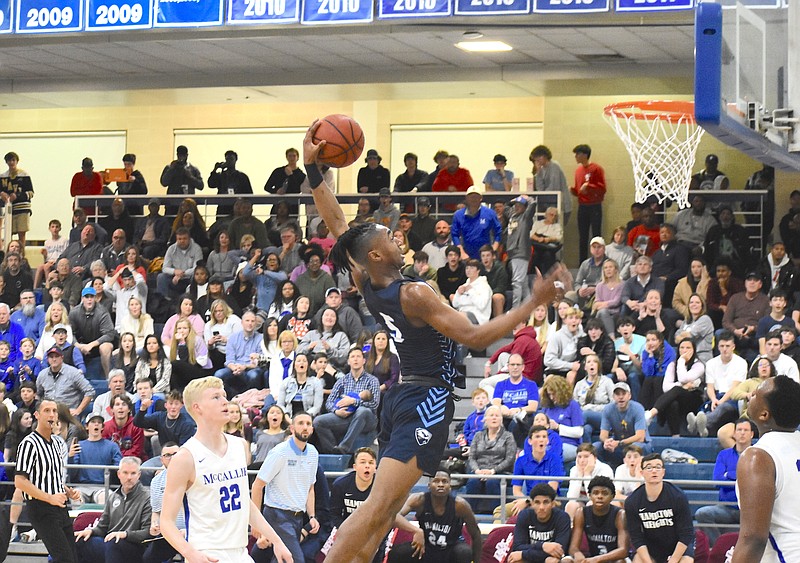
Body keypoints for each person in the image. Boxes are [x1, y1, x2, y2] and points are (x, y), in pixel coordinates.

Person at [303, 119, 562, 563]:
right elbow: (475, 334)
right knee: (378, 508)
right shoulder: (414, 293)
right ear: (376, 254)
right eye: (389, 235)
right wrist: (530, 304)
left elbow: (339, 223)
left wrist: (313, 170)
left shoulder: (368, 279)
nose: (396, 234)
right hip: (427, 398)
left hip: (404, 395)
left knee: (382, 515)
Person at [159, 376, 291, 562]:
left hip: (240, 552)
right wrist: (191, 554)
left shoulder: (239, 446)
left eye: (224, 395)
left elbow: (244, 502)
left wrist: (277, 540)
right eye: (216, 397)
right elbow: (165, 522)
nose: (225, 401)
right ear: (197, 408)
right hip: (208, 553)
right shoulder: (185, 457)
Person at [731, 375, 800, 562]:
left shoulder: (757, 456)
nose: (750, 394)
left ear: (764, 414)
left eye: (756, 394)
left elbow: (753, 539)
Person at [14, 399, 81, 562]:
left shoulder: (57, 443)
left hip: (60, 506)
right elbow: (20, 481)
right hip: (41, 508)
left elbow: (52, 476)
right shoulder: (29, 444)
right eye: (47, 411)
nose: (52, 414)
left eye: (54, 411)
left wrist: (66, 491)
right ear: (37, 415)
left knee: (73, 557)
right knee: (65, 558)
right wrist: (50, 497)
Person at [251, 410, 318, 563]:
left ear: (312, 429)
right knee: (294, 560)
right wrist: (255, 520)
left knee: (263, 556)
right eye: (301, 423)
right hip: (277, 515)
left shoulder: (313, 453)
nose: (305, 427)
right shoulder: (280, 452)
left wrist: (312, 516)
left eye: (308, 424)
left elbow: (310, 488)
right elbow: (257, 486)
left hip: (297, 518)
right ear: (292, 428)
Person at [388, 468, 482, 563]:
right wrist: (416, 530)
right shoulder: (419, 500)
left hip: (450, 548)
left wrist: (476, 561)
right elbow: (393, 516)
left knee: (464, 552)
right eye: (436, 481)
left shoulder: (460, 505)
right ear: (429, 485)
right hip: (425, 547)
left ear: (450, 486)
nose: (440, 484)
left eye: (444, 481)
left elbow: (476, 534)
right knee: (398, 553)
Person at [73, 456, 151, 562]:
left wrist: (125, 534)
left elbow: (147, 533)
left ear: (139, 475)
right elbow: (102, 527)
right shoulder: (113, 496)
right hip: (111, 543)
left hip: (134, 547)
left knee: (114, 543)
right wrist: (90, 531)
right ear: (119, 474)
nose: (129, 477)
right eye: (125, 473)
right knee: (78, 540)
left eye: (133, 473)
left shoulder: (147, 498)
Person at [694, 418, 755, 546]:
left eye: (746, 430)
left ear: (752, 434)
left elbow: (756, 482)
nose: (742, 433)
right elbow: (717, 481)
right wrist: (741, 476)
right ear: (734, 434)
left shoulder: (758, 455)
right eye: (739, 430)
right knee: (702, 514)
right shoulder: (724, 455)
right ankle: (719, 549)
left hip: (750, 510)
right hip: (725, 508)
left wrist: (729, 474)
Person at [625, 453, 695, 563]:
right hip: (651, 547)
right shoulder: (632, 501)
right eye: (649, 467)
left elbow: (686, 534)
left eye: (658, 467)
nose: (654, 471)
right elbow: (636, 537)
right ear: (642, 472)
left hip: (677, 545)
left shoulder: (678, 496)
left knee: (686, 561)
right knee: (638, 560)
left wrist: (673, 560)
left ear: (663, 472)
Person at [313, 347, 380, 454]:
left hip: (367, 419)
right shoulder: (342, 381)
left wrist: (353, 401)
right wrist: (336, 411)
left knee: (362, 410)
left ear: (364, 361)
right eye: (352, 357)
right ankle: (334, 451)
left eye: (358, 356)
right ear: (348, 361)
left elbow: (374, 404)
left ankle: (344, 447)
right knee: (318, 421)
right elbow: (329, 402)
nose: (355, 359)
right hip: (345, 416)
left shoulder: (372, 380)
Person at [687, 330, 747, 438]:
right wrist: (714, 399)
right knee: (709, 406)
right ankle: (702, 428)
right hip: (716, 395)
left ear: (733, 347)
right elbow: (710, 386)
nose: (725, 349)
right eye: (722, 346)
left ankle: (697, 424)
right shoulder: (711, 363)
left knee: (723, 407)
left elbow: (735, 387)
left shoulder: (741, 363)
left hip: (732, 398)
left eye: (727, 346)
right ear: (718, 347)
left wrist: (721, 401)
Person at [464, 404, 517, 514]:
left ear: (501, 419)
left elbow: (510, 459)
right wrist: (477, 470)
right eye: (491, 415)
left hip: (500, 472)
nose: (494, 418)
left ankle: (496, 515)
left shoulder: (508, 436)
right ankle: (469, 515)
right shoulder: (478, 435)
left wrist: (493, 471)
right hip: (479, 472)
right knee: (473, 482)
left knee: (492, 482)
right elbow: (472, 457)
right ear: (485, 419)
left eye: (497, 415)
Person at [568, 476, 630, 563]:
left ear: (612, 496)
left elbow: (623, 551)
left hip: (614, 559)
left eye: (604, 493)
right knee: (567, 561)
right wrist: (577, 553)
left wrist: (597, 559)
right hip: (591, 557)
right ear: (589, 495)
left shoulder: (620, 514)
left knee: (621, 562)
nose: (600, 496)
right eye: (596, 493)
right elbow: (573, 547)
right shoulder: (581, 513)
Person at [507, 483, 571, 563]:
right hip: (533, 557)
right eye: (537, 502)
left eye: (546, 502)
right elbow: (518, 547)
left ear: (553, 504)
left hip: (552, 559)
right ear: (532, 504)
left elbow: (560, 551)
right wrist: (543, 546)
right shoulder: (524, 515)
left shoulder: (562, 517)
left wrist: (523, 554)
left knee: (552, 561)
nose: (541, 507)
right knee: (516, 560)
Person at [69, 413, 122, 505]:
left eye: (99, 422)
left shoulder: (112, 446)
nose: (96, 424)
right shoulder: (78, 446)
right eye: (93, 422)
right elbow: (71, 472)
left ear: (102, 427)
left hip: (102, 487)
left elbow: (118, 467)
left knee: (104, 497)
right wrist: (70, 457)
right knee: (76, 498)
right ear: (86, 426)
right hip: (81, 487)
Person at [594, 382, 651, 468]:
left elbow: (640, 437)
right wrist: (606, 442)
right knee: (596, 447)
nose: (621, 397)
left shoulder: (638, 408)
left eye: (624, 394)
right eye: (617, 394)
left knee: (636, 448)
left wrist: (619, 443)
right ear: (613, 397)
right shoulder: (608, 409)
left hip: (639, 444)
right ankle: (607, 471)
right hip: (619, 445)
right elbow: (603, 435)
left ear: (629, 395)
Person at [492, 353, 539, 448]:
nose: (515, 367)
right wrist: (502, 408)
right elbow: (495, 403)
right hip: (505, 415)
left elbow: (533, 407)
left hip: (523, 416)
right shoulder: (500, 384)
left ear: (523, 367)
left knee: (515, 424)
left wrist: (519, 410)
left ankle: (514, 452)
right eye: (512, 365)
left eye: (518, 365)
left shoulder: (531, 384)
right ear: (508, 366)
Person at [571, 145, 606, 264]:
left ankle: (599, 262)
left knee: (596, 236)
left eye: (577, 154)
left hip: (595, 205)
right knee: (583, 236)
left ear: (585, 155)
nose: (575, 157)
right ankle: (583, 264)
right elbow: (578, 190)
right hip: (582, 206)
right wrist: (573, 191)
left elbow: (602, 188)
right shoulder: (578, 171)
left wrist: (589, 187)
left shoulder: (596, 169)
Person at [36, 347, 95, 417]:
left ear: (62, 358)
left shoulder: (73, 372)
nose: (54, 359)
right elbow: (38, 395)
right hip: (49, 415)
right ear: (47, 359)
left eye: (57, 356)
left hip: (68, 415)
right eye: (51, 357)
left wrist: (79, 410)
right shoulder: (42, 374)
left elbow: (90, 391)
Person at [563, 444, 614, 520]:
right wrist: (580, 475)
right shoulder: (574, 470)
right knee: (571, 505)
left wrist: (587, 474)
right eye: (579, 457)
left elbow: (593, 497)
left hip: (601, 501)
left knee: (591, 504)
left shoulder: (604, 469)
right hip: (582, 501)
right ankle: (570, 530)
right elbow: (571, 497)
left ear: (595, 458)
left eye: (586, 457)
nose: (582, 460)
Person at [450, 185, 502, 260]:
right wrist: (461, 252)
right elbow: (454, 235)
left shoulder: (490, 213)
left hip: (485, 256)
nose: (473, 199)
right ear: (466, 198)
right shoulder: (458, 215)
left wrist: (493, 250)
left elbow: (498, 232)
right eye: (471, 196)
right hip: (466, 256)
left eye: (476, 196)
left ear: (481, 198)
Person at [0, 151, 34, 249]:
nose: (11, 162)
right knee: (8, 233)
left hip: (22, 208)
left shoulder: (24, 175)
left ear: (17, 161)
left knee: (21, 233)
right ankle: (8, 254)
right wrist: (2, 194)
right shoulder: (3, 176)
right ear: (6, 162)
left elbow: (31, 193)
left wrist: (17, 196)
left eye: (13, 160)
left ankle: (21, 255)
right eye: (9, 160)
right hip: (9, 210)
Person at [530, 145, 571, 224]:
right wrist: (538, 173)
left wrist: (543, 193)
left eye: (539, 157)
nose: (538, 161)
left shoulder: (554, 166)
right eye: (536, 159)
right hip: (549, 203)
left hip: (561, 204)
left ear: (545, 156)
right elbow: (540, 189)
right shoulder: (542, 169)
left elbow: (554, 187)